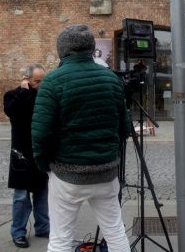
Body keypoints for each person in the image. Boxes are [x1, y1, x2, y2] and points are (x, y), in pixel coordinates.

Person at [32, 24, 131, 252]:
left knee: (60, 239)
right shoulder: (111, 80)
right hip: (106, 172)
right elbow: (124, 129)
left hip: (67, 174)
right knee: (115, 232)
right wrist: (108, 154)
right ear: (91, 48)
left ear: (62, 50)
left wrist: (44, 165)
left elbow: (40, 134)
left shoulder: (52, 82)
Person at [4, 64, 50, 248]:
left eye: (43, 81)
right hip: (21, 152)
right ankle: (18, 232)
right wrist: (24, 92)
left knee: (42, 192)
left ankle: (43, 227)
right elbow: (13, 112)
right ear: (27, 79)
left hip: (39, 151)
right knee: (21, 196)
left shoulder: (43, 96)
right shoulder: (13, 95)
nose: (40, 85)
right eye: (37, 81)